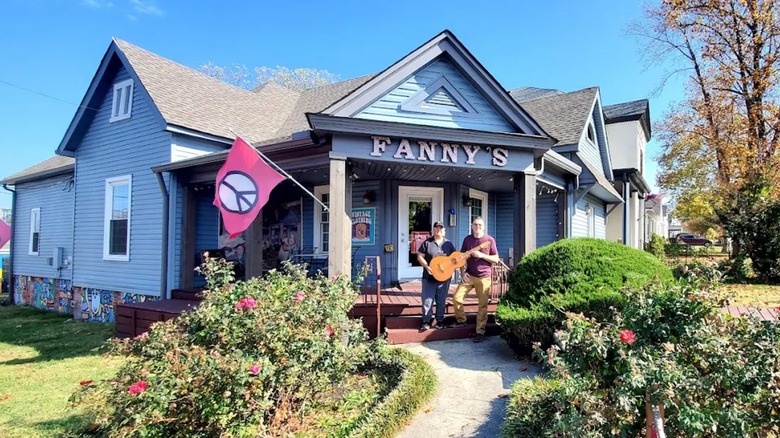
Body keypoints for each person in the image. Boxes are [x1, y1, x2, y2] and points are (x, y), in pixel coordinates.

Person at [450, 216, 499, 343]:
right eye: (475, 225)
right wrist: (462, 272)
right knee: (456, 298)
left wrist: (482, 255)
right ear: (472, 226)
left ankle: (480, 332)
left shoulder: (489, 240)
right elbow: (461, 258)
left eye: (480, 225)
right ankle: (461, 321)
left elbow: (496, 259)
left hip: (484, 277)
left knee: (482, 306)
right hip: (469, 275)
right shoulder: (467, 239)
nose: (477, 227)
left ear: (483, 226)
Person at [416, 221, 457, 332]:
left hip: (444, 278)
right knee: (427, 300)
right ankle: (426, 321)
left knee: (441, 300)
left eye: (440, 228)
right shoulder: (427, 243)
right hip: (429, 277)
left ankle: (440, 321)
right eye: (436, 228)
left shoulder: (448, 244)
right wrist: (426, 266)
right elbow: (420, 256)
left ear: (444, 231)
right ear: (433, 230)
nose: (438, 229)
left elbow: (455, 259)